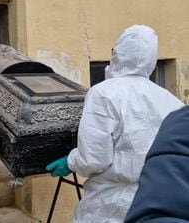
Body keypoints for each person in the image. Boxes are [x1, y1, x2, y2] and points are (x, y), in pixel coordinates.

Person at [46, 25, 184, 222]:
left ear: (118, 53)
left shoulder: (103, 93)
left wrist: (70, 162)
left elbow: (94, 158)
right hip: (156, 200)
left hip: (110, 204)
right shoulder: (170, 99)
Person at [124, 106, 189, 223]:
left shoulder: (102, 94)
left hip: (149, 191)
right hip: (153, 190)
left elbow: (93, 161)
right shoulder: (166, 95)